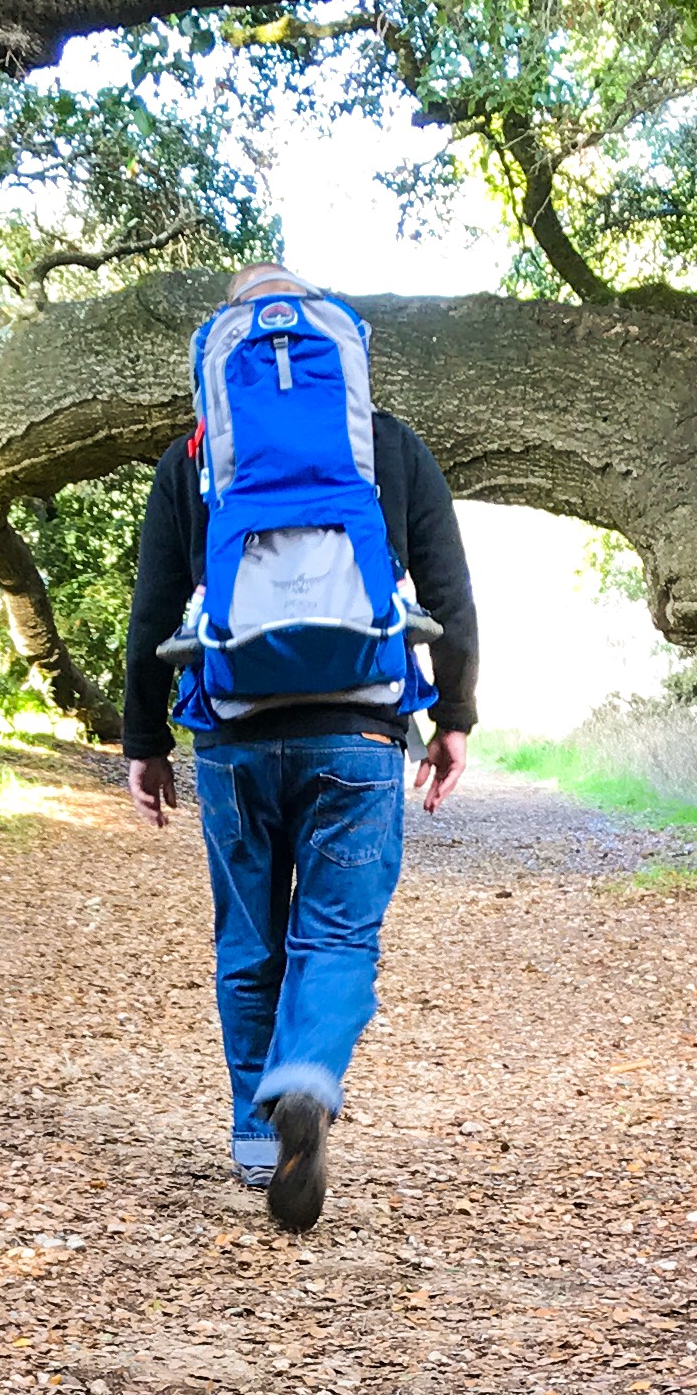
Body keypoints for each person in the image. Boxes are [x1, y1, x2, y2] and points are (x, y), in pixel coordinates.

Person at [121, 271, 478, 1237]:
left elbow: (154, 608)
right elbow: (448, 587)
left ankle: (254, 1136)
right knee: (338, 936)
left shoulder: (198, 457)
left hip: (233, 737)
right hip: (359, 733)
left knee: (249, 943)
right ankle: (308, 1079)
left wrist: (145, 741)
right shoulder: (389, 447)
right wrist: (454, 717)